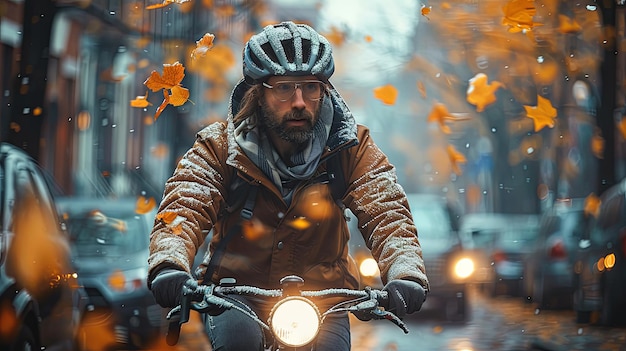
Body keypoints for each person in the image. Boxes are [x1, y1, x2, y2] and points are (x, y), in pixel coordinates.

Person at [148, 21, 429, 351]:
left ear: (324, 90)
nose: (299, 101)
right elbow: (186, 205)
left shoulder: (350, 146)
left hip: (326, 297)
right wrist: (170, 264)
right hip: (237, 293)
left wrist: (405, 272)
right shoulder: (220, 146)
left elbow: (387, 213)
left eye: (310, 87)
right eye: (284, 88)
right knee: (240, 343)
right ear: (259, 92)